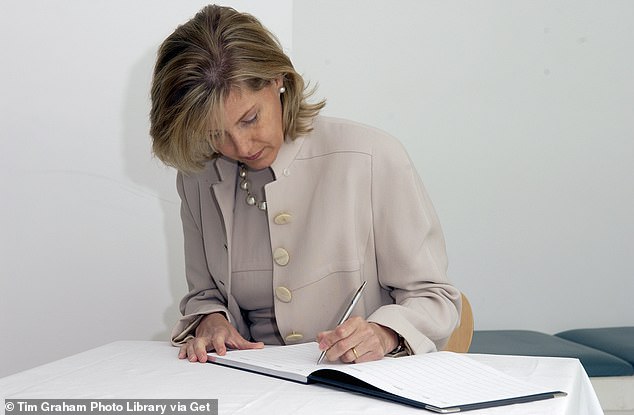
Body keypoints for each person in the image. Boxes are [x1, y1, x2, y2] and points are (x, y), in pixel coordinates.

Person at [149, 4, 462, 364]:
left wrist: (384, 332)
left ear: (277, 79)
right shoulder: (198, 177)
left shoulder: (371, 157)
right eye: (216, 134)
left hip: (357, 385)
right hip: (249, 387)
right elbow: (204, 294)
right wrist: (210, 321)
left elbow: (434, 297)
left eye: (250, 119)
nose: (241, 147)